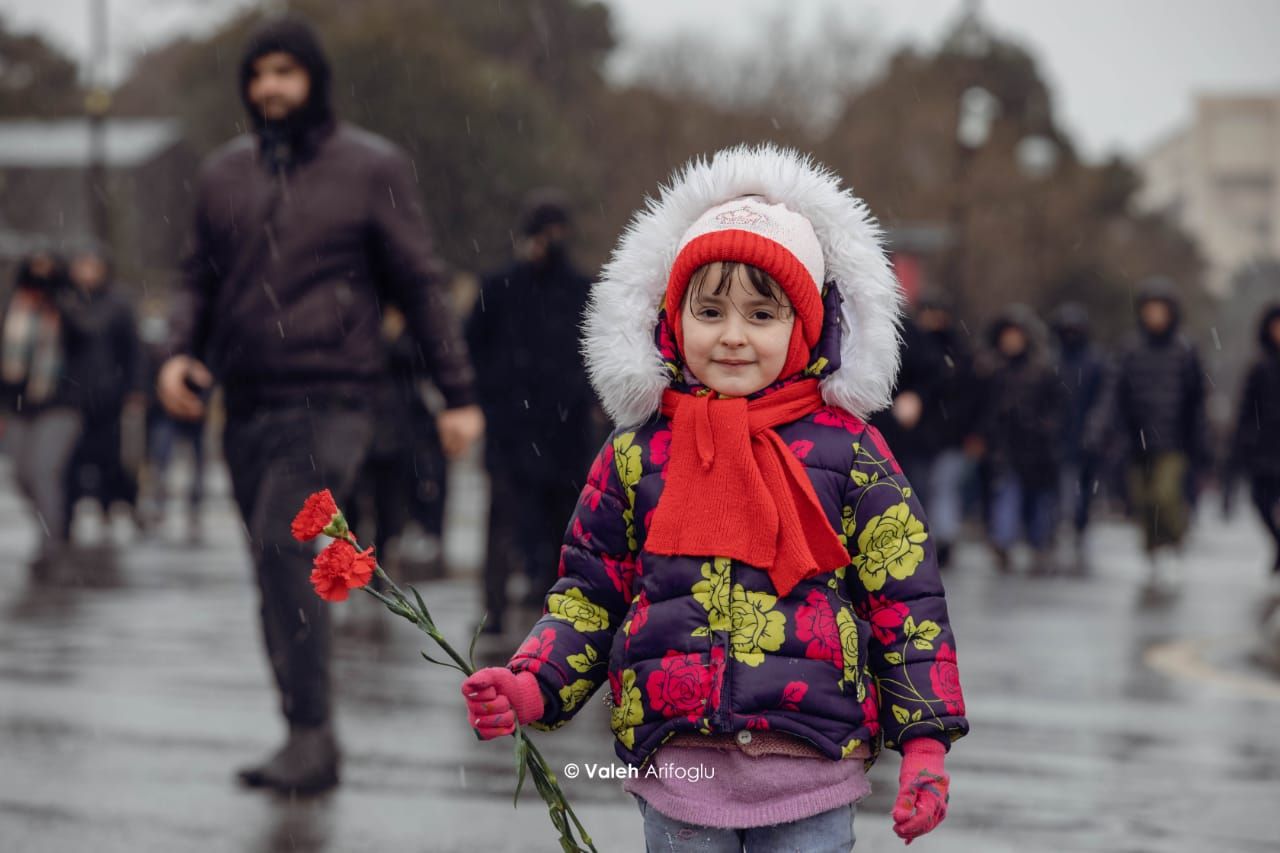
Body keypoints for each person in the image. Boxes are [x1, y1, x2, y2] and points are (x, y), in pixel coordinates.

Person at [459, 146, 968, 850]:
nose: (732, 335)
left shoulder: (849, 453)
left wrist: (925, 744)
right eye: (710, 309)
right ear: (673, 320)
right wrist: (530, 682)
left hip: (812, 763)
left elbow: (905, 601)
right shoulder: (637, 453)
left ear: (805, 328)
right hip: (681, 768)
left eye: (762, 314)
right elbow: (590, 592)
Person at [156, 16, 483, 794]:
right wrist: (176, 354)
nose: (270, 87)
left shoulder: (371, 167)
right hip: (247, 399)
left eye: (285, 72)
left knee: (282, 544)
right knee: (268, 564)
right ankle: (304, 728)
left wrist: (459, 393)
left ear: (313, 82)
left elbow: (420, 282)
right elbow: (196, 279)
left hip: (336, 396)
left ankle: (310, 735)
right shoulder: (222, 174)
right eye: (258, 74)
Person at [466, 190, 598, 634]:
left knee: (558, 520)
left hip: (561, 427)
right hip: (516, 426)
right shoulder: (502, 288)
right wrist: (490, 393)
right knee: (506, 519)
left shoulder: (581, 291)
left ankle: (547, 606)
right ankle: (497, 608)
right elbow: (473, 345)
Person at [1110, 278, 1208, 592]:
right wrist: (1107, 430)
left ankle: (1176, 541)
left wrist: (1199, 439)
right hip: (1136, 441)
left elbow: (1197, 399)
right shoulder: (1130, 349)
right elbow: (1116, 395)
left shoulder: (1185, 350)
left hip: (1173, 440)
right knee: (1142, 501)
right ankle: (1152, 552)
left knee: (1164, 497)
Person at [873, 294, 979, 569]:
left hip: (936, 436)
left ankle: (934, 539)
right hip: (913, 434)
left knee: (935, 488)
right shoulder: (910, 341)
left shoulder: (950, 351)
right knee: (920, 488)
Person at [1, 251, 80, 573]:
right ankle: (50, 526)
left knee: (44, 472)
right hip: (18, 407)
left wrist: (57, 296)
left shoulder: (69, 306)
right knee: (21, 475)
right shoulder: (12, 307)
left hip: (59, 404)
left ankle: (52, 546)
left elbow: (87, 334)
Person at [61, 244, 145, 536]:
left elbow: (133, 350)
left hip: (108, 395)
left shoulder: (118, 305)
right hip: (70, 397)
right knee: (69, 458)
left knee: (109, 458)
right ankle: (66, 515)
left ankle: (110, 507)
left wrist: (135, 389)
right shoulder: (66, 300)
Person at [977, 305, 1065, 574]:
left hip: (1038, 449)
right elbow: (983, 407)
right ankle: (1004, 541)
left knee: (1037, 501)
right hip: (1005, 448)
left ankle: (1038, 543)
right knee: (1007, 493)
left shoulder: (1042, 371)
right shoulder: (992, 370)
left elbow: (1057, 408)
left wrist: (1046, 430)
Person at [1049, 302, 1108, 572]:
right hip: (1060, 436)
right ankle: (1064, 525)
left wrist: (1096, 427)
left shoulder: (1094, 361)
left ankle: (1080, 527)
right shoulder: (1054, 360)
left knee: (1084, 489)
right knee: (1064, 488)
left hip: (1087, 438)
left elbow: (1105, 398)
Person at [1227, 302, 1280, 577]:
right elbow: (1246, 410)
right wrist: (1241, 446)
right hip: (1264, 449)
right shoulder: (1258, 368)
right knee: (1260, 501)